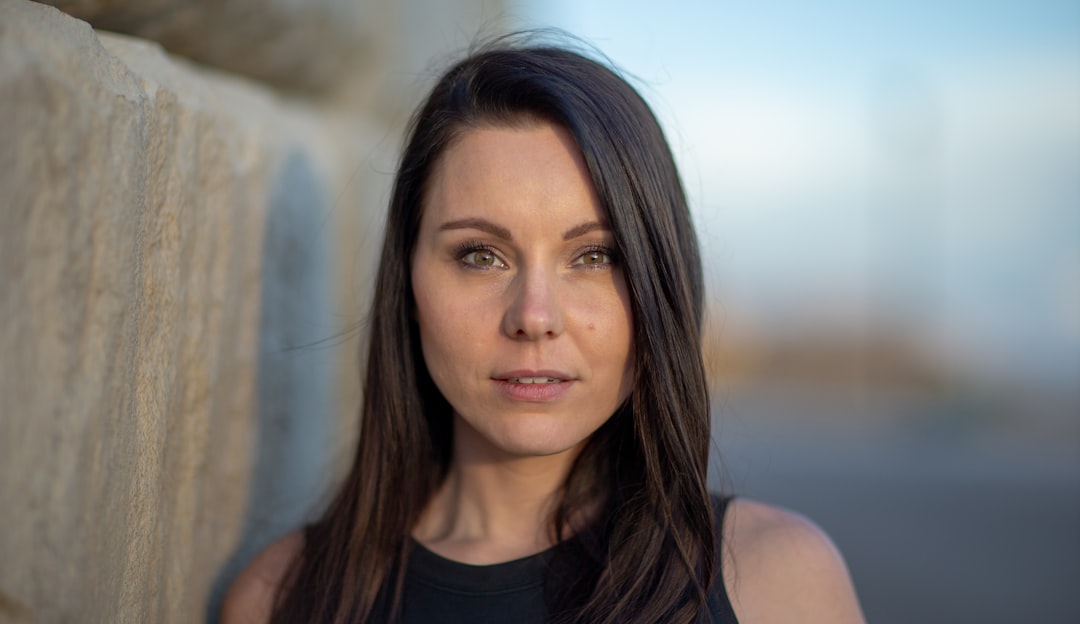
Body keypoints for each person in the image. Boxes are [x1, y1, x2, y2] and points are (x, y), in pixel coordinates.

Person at [221, 39, 865, 624]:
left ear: (659, 286)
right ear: (408, 287)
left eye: (593, 256)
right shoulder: (281, 598)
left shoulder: (778, 583)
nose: (534, 316)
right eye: (480, 254)